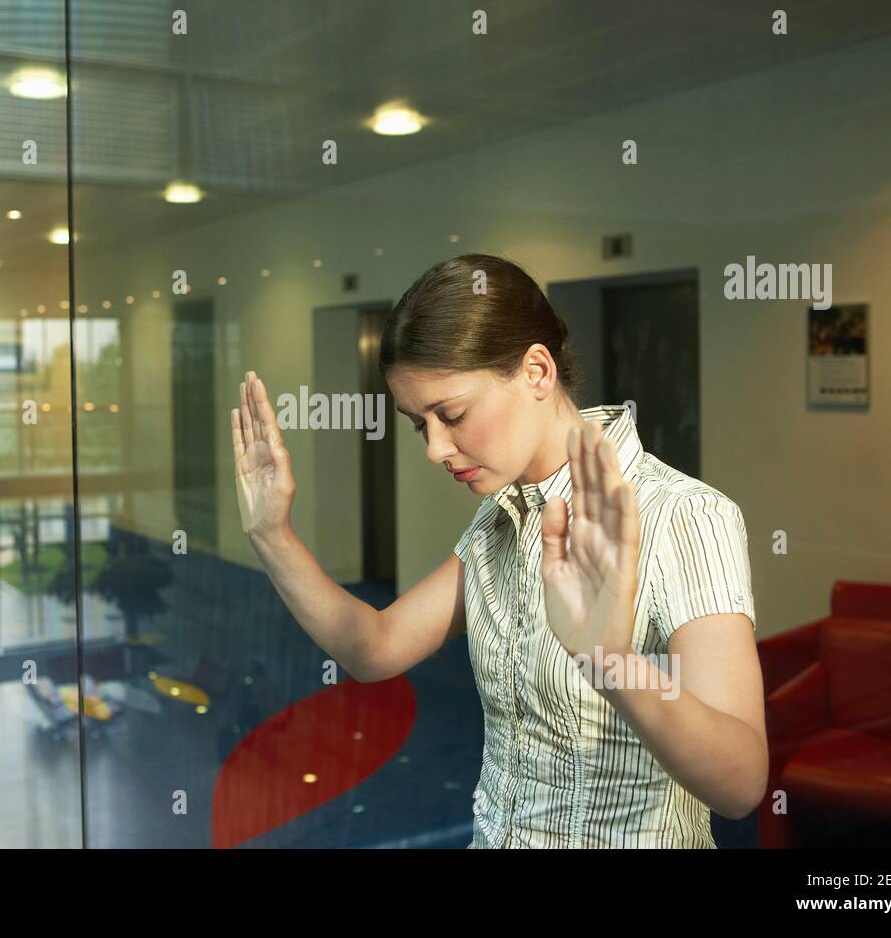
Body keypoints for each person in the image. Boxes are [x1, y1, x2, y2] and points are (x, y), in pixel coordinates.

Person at [232, 254, 766, 848]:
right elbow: (375, 647)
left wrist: (612, 661)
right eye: (418, 424)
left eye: (452, 414)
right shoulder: (503, 515)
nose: (435, 449)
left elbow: (741, 783)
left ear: (537, 371)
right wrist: (272, 533)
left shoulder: (685, 515)